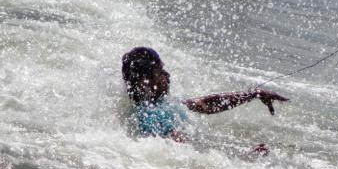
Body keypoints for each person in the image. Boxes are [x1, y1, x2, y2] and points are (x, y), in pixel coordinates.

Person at [121, 46, 288, 148]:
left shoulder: (156, 107)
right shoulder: (153, 116)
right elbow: (184, 152)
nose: (167, 74)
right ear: (146, 82)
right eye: (160, 71)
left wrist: (253, 94)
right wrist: (245, 157)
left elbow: (206, 104)